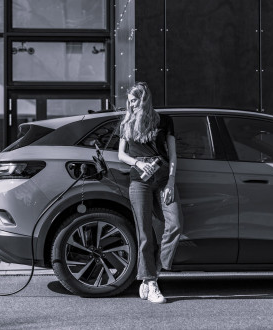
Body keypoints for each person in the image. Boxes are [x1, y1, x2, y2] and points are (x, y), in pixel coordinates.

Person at [118, 82, 183, 304]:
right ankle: (150, 281)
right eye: (129, 100)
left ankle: (152, 273)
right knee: (144, 232)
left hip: (164, 176)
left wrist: (172, 182)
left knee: (175, 224)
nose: (131, 104)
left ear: (144, 98)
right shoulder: (126, 122)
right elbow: (121, 155)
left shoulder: (164, 121)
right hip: (139, 180)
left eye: (134, 100)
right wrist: (137, 163)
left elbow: (173, 155)